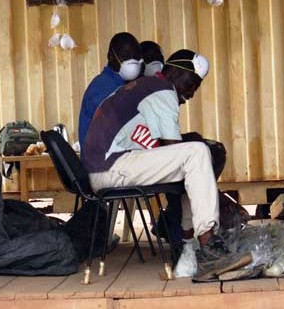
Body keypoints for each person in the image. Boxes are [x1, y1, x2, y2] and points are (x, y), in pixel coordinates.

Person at [82, 49, 244, 275]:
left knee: (194, 155)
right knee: (196, 154)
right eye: (191, 83)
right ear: (174, 71)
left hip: (104, 167)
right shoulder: (163, 90)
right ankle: (207, 246)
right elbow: (174, 149)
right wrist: (217, 195)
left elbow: (166, 148)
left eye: (196, 87)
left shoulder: (147, 86)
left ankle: (189, 245)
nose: (191, 92)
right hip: (111, 167)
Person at [78, 32, 141, 148]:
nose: (132, 61)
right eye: (125, 55)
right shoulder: (103, 88)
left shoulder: (122, 85)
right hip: (104, 161)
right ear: (111, 56)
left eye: (135, 56)